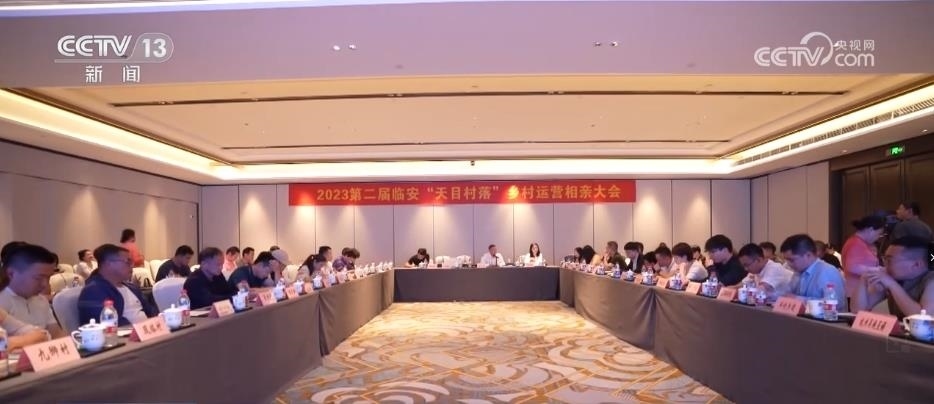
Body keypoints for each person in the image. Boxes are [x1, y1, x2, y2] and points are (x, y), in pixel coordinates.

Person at [853, 236, 934, 318]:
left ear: (916, 265)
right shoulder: (893, 276)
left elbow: (924, 318)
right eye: (884, 259)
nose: (884, 264)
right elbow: (858, 311)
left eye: (889, 260)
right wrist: (864, 279)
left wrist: (892, 284)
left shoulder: (931, 280)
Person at [78, 244, 158, 326]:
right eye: (128, 262)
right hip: (126, 333)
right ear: (109, 264)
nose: (132, 265)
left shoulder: (132, 287)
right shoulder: (92, 291)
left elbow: (151, 312)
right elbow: (110, 325)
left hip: (148, 331)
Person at [0, 244, 66, 338]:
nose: (45, 284)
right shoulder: (2, 301)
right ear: (11, 274)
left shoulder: (41, 300)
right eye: (38, 278)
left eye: (48, 277)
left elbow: (56, 334)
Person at [780, 234, 848, 311]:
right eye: (786, 260)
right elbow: (788, 295)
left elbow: (836, 304)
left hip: (826, 318)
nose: (788, 264)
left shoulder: (827, 272)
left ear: (808, 255)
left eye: (792, 260)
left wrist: (799, 300)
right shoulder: (798, 272)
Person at [842, 214, 886, 304]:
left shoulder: (858, 242)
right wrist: (878, 270)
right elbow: (852, 267)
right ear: (871, 230)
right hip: (856, 293)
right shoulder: (856, 243)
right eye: (879, 234)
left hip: (859, 292)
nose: (878, 237)